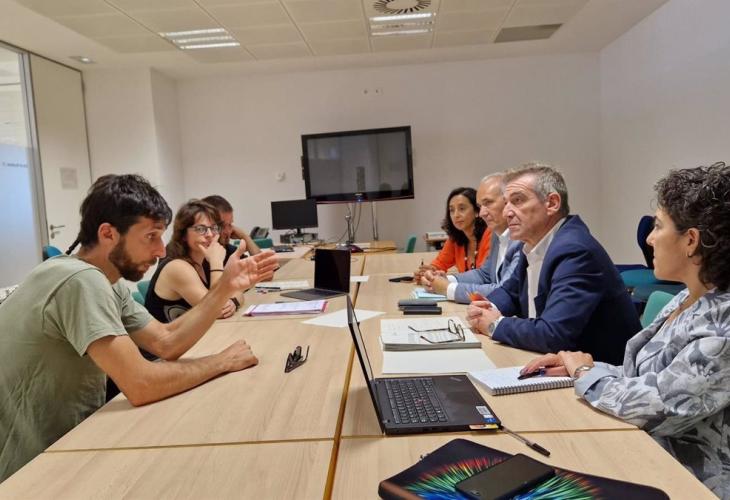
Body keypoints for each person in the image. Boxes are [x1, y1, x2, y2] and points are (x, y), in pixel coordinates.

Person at [0, 174, 278, 482]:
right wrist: (221, 361)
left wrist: (223, 288)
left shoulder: (105, 279)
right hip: (29, 472)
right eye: (151, 237)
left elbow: (165, 340)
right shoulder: (80, 281)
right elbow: (141, 384)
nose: (160, 251)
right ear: (108, 233)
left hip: (65, 449)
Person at [521, 163, 730, 497]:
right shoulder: (687, 297)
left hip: (688, 483)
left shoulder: (723, 326)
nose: (649, 238)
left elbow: (660, 406)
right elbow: (649, 377)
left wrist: (586, 373)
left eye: (658, 226)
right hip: (647, 457)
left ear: (691, 241)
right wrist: (582, 368)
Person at [467, 164, 639, 364]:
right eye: (506, 203)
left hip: (599, 373)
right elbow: (510, 292)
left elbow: (553, 335)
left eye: (517, 201)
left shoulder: (575, 250)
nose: (507, 212)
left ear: (552, 203)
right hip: (550, 363)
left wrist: (495, 325)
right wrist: (485, 307)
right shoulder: (533, 243)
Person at [420, 173, 522, 303]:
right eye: (480, 206)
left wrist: (448, 288)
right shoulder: (497, 235)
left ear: (508, 202)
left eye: (488, 203)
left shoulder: (520, 239)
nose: (482, 213)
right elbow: (484, 274)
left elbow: (504, 291)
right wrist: (446, 279)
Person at [145, 199, 243, 322]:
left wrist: (233, 301)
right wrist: (216, 263)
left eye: (214, 228)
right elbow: (216, 310)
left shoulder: (205, 261)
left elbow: (237, 290)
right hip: (167, 335)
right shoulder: (177, 267)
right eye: (201, 229)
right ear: (184, 235)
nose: (210, 234)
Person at [414, 187, 491, 280]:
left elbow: (487, 277)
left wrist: (449, 279)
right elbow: (439, 264)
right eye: (452, 210)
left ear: (477, 211)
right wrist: (428, 273)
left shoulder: (490, 236)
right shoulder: (455, 239)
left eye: (462, 208)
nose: (456, 215)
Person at [202, 194, 262, 261]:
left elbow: (263, 264)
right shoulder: (199, 256)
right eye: (221, 225)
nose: (228, 231)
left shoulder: (230, 251)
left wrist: (245, 237)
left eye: (230, 225)